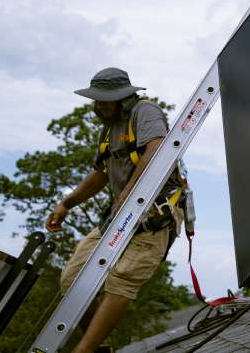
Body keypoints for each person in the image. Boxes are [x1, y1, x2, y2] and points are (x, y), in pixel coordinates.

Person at [49, 67, 183, 353]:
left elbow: (157, 149)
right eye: (95, 100)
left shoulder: (144, 112)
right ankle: (99, 347)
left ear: (122, 98)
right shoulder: (108, 129)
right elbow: (99, 174)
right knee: (72, 279)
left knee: (120, 281)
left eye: (103, 100)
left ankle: (84, 350)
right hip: (116, 217)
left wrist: (128, 193)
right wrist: (66, 204)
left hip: (153, 217)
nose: (97, 106)